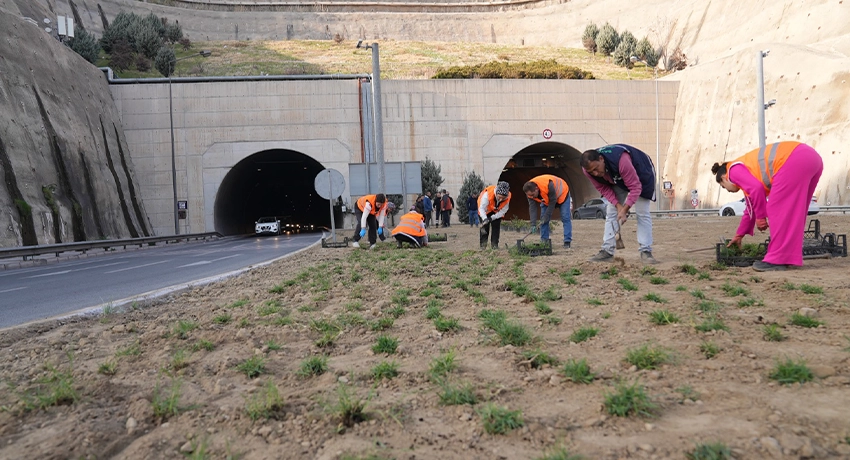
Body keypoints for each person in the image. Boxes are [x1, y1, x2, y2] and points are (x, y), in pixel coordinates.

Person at [712, 141, 823, 271]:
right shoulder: (746, 175)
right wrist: (739, 235)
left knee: (776, 208)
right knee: (794, 212)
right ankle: (787, 256)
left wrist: (761, 217)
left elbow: (757, 189)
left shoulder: (733, 171)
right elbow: (750, 210)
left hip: (792, 159)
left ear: (724, 178)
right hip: (811, 159)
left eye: (723, 186)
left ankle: (778, 259)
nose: (727, 190)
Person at [581, 143, 657, 264]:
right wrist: (618, 206)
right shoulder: (587, 170)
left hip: (641, 173)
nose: (595, 173)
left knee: (642, 212)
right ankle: (607, 251)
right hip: (616, 177)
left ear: (601, 159)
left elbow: (635, 187)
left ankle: (646, 251)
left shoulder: (621, 160)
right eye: (591, 172)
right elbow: (603, 189)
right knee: (611, 212)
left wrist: (625, 209)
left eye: (596, 169)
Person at [523, 174, 572, 248]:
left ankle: (567, 241)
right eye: (530, 195)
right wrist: (533, 224)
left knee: (565, 217)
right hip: (546, 200)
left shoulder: (549, 185)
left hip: (562, 195)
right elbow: (532, 208)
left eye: (533, 194)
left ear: (536, 189)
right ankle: (544, 242)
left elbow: (553, 201)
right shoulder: (529, 193)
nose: (532, 197)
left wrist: (547, 216)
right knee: (543, 219)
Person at [478, 181, 511, 249]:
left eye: (503, 198)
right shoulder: (487, 195)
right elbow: (481, 209)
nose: (501, 199)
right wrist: (485, 218)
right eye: (499, 197)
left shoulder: (507, 198)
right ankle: (483, 246)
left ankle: (494, 246)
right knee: (485, 228)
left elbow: (502, 211)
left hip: (496, 211)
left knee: (496, 227)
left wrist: (492, 218)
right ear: (496, 193)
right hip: (485, 210)